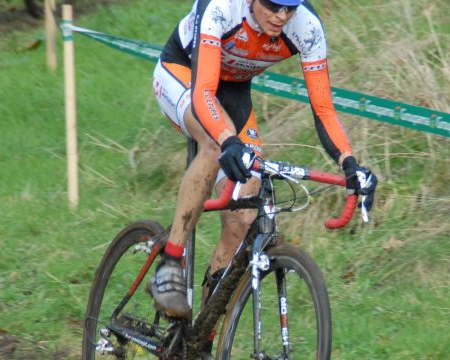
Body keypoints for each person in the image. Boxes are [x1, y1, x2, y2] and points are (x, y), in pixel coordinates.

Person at [150, 0, 378, 323]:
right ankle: (170, 263)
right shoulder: (222, 8)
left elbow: (324, 109)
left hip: (234, 92)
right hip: (185, 72)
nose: (281, 17)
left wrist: (349, 163)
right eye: (273, 6)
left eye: (290, 9)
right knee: (215, 147)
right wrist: (229, 141)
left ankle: (202, 333)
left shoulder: (307, 27)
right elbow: (203, 93)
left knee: (243, 217)